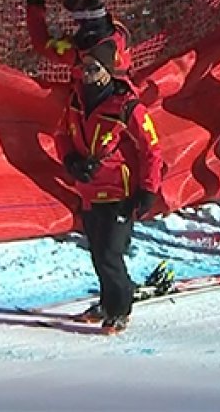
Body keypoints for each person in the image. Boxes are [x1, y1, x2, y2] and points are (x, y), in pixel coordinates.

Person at [54, 40, 164, 333]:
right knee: (97, 250)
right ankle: (106, 300)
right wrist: (70, 161)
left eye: (93, 68)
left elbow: (152, 149)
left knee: (110, 254)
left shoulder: (126, 106)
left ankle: (119, 308)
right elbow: (62, 134)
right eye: (83, 68)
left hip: (121, 190)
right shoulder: (76, 99)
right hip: (90, 189)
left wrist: (148, 189)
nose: (86, 74)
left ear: (107, 72)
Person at [25, 0, 132, 80]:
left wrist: (35, 8)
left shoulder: (77, 54)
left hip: (85, 92)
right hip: (120, 82)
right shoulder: (115, 34)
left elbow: (41, 44)